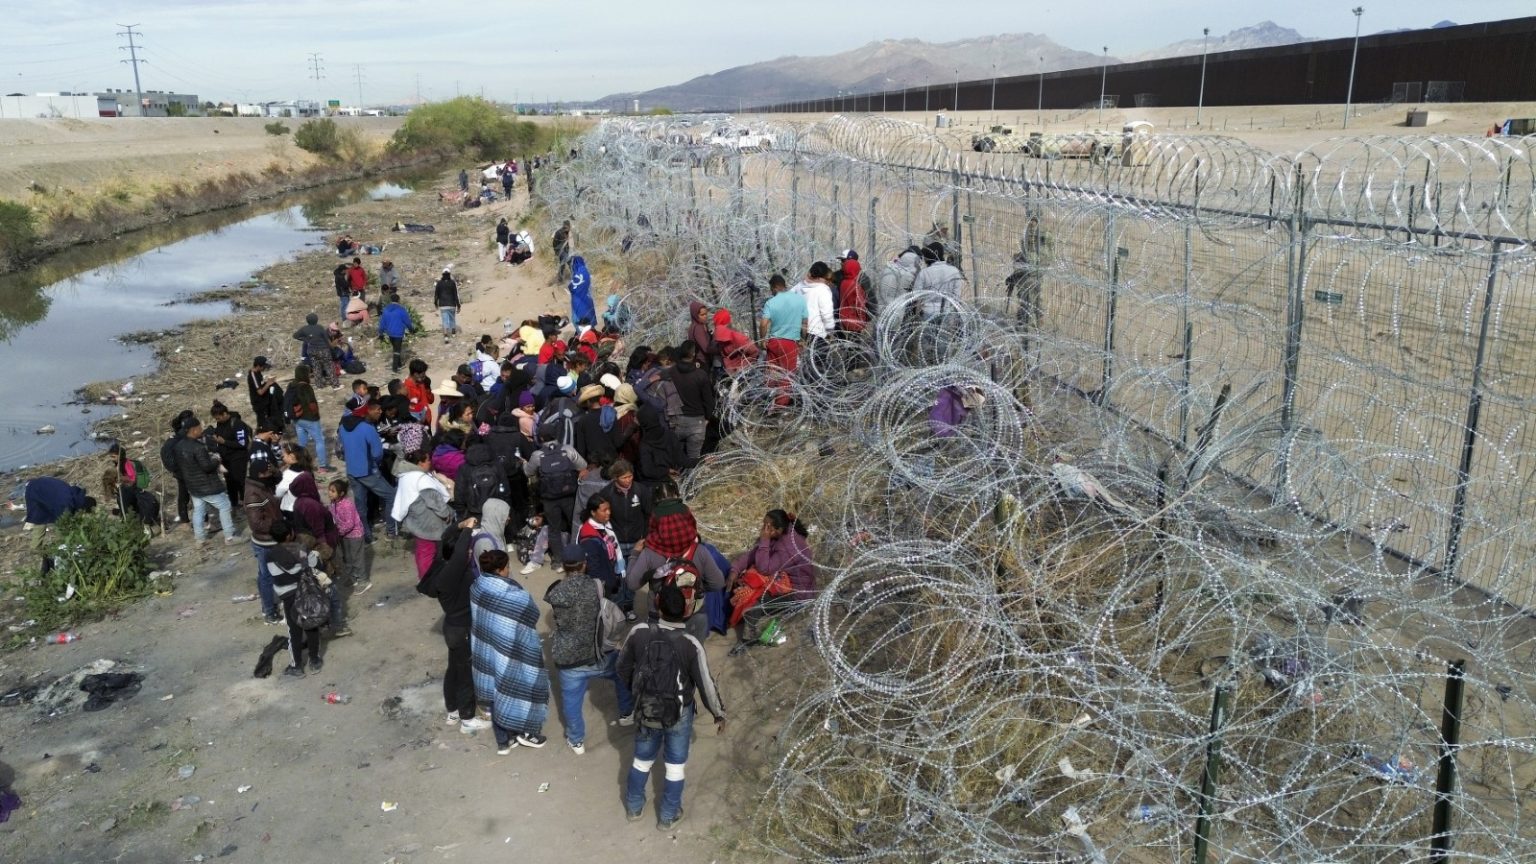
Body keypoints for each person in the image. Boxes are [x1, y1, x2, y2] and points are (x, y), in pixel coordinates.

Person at [617, 583, 727, 828]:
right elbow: (705, 683)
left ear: (658, 606)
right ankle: (668, 816)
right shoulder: (691, 644)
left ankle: (634, 807)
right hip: (680, 712)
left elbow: (622, 666)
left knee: (641, 760)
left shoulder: (639, 632)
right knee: (675, 766)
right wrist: (718, 713)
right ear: (687, 610)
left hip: (646, 707)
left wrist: (637, 691)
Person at [546, 543, 632, 755]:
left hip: (568, 659)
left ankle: (576, 740)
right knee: (622, 673)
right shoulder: (596, 585)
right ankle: (626, 713)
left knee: (571, 701)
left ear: (564, 566)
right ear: (584, 564)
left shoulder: (555, 591)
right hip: (599, 653)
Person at [470, 549, 550, 752]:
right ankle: (527, 733)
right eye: (507, 567)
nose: (509, 570)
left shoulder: (477, 586)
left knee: (496, 691)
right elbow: (532, 615)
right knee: (522, 687)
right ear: (499, 570)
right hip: (513, 649)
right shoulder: (514, 595)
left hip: (487, 648)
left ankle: (503, 742)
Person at [623, 485, 724, 639]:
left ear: (656, 525)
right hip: (694, 615)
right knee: (693, 650)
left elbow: (632, 584)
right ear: (687, 521)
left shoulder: (649, 553)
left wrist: (634, 554)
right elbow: (717, 583)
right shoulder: (699, 550)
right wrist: (694, 587)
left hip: (660, 615)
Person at [424, 513, 490, 732]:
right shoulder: (453, 572)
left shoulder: (441, 566)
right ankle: (467, 719)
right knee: (465, 675)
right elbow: (461, 552)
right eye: (468, 550)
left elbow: (446, 539)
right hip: (462, 630)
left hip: (452, 628)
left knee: (453, 669)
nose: (470, 552)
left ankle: (452, 711)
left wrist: (460, 525)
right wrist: (468, 530)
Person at [727, 509, 817, 644]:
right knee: (745, 583)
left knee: (752, 606)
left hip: (797, 594)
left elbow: (764, 569)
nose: (764, 528)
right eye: (764, 524)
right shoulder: (781, 535)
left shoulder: (787, 547)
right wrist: (735, 570)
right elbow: (754, 554)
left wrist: (764, 540)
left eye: (767, 526)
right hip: (783, 582)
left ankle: (749, 639)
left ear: (779, 529)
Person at [267, 521, 324, 677]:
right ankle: (315, 661)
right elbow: (315, 565)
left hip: (288, 597)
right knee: (311, 625)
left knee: (294, 631)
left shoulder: (270, 555)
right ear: (289, 535)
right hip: (305, 593)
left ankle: (297, 666)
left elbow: (276, 577)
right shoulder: (301, 549)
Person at [174, 416, 241, 545]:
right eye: (200, 428)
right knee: (225, 505)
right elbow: (207, 467)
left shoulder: (179, 446)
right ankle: (230, 536)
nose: (201, 430)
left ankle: (200, 539)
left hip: (193, 485)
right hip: (207, 485)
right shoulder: (198, 447)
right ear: (193, 430)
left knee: (199, 511)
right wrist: (216, 460)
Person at [338, 401, 396, 543]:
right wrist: (375, 464)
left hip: (351, 471)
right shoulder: (367, 428)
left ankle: (366, 536)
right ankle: (391, 531)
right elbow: (377, 453)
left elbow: (341, 449)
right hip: (368, 471)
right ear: (365, 411)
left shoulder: (342, 427)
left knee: (360, 505)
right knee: (391, 495)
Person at [393, 448, 451, 579]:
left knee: (422, 550)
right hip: (427, 521)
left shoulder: (406, 475)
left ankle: (425, 577)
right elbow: (434, 500)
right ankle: (427, 580)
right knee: (428, 551)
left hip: (415, 519)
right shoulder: (420, 478)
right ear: (420, 463)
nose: (430, 462)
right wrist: (445, 513)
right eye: (428, 460)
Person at [525, 437, 588, 550]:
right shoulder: (568, 449)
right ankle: (579, 551)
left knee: (554, 529)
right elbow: (583, 465)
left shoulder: (537, 455)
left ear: (541, 438)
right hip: (569, 495)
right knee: (575, 524)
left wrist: (524, 464)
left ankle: (558, 558)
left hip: (549, 499)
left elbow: (528, 472)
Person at [244, 458, 284, 624]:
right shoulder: (253, 494)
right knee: (266, 577)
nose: (270, 475)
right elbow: (257, 523)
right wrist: (278, 526)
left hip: (268, 540)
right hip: (265, 543)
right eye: (267, 472)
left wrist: (274, 470)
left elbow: (278, 478)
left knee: (265, 575)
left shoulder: (262, 485)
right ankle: (269, 611)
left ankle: (268, 606)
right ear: (260, 474)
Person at [760, 274, 808, 407]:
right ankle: (781, 405)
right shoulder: (799, 300)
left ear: (775, 287)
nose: (771, 292)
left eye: (771, 289)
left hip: (774, 342)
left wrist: (762, 339)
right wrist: (803, 339)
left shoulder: (771, 302)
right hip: (790, 343)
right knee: (787, 376)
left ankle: (770, 401)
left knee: (772, 373)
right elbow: (805, 323)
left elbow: (763, 324)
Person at [670, 342, 714, 464]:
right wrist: (707, 418)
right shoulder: (700, 375)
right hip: (696, 421)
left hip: (675, 420)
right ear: (693, 354)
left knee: (675, 458)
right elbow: (709, 400)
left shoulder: (671, 373)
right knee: (693, 460)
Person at [283, 365, 331, 473]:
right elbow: (311, 403)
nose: (309, 375)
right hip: (309, 419)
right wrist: (316, 415)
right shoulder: (306, 387)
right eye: (308, 373)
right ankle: (322, 466)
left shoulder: (291, 385)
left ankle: (301, 465)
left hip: (297, 419)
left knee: (302, 444)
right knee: (319, 440)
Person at [327, 477, 371, 596]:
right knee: (347, 557)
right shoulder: (333, 503)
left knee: (357, 558)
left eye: (333, 491)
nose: (329, 493)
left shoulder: (346, 504)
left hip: (355, 534)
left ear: (341, 493)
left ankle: (364, 581)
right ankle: (353, 577)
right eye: (329, 490)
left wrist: (338, 532)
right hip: (344, 535)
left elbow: (350, 524)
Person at [209, 400, 252, 506]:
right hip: (226, 458)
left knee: (239, 481)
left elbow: (242, 443)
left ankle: (245, 501)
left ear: (224, 414)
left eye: (218, 418)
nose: (217, 420)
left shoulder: (237, 424)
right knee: (229, 482)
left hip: (238, 458)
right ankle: (233, 503)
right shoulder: (220, 423)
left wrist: (224, 442)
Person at [20, 477, 94, 529]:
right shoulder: (66, 503)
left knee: (43, 516)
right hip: (35, 490)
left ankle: (36, 544)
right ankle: (36, 545)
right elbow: (62, 521)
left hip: (44, 487)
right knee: (39, 518)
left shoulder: (75, 495)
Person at [913, 246, 965, 320]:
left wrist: (917, 317)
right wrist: (954, 318)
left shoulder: (924, 272)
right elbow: (956, 297)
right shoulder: (954, 271)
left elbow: (917, 297)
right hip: (947, 312)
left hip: (928, 312)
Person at [294, 312, 338, 389]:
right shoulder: (320, 327)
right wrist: (332, 349)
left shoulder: (304, 328)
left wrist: (305, 339)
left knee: (316, 368)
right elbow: (326, 340)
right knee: (329, 367)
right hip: (323, 350)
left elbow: (295, 336)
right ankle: (335, 385)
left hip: (312, 351)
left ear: (307, 320)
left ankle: (319, 385)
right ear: (316, 320)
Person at [834, 249, 869, 335]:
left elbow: (870, 298)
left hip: (844, 318)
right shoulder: (837, 276)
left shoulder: (861, 279)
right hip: (851, 320)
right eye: (841, 261)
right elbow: (861, 304)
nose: (841, 263)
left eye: (843, 261)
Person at [712, 309, 758, 375]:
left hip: (742, 370)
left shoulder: (739, 338)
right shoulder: (718, 336)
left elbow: (755, 352)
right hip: (728, 369)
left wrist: (742, 366)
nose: (721, 343)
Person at [378, 292, 414, 373]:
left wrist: (380, 333)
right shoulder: (401, 309)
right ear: (398, 300)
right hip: (398, 332)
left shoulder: (386, 309)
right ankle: (395, 368)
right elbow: (407, 321)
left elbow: (382, 322)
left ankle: (399, 364)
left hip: (390, 332)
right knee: (397, 350)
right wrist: (411, 329)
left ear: (391, 300)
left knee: (395, 348)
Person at [246, 356, 283, 434]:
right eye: (263, 367)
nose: (264, 368)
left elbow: (260, 385)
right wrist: (268, 383)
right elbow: (260, 392)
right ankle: (259, 435)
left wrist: (268, 382)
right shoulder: (253, 375)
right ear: (258, 366)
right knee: (261, 422)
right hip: (258, 402)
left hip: (262, 400)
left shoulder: (258, 372)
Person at [685, 301, 718, 370]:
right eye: (702, 315)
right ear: (695, 315)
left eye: (706, 314)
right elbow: (706, 348)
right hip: (703, 363)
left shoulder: (699, 325)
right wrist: (722, 350)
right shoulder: (698, 328)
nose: (705, 316)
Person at [405, 359, 435, 427]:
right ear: (416, 374)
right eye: (423, 374)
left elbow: (431, 400)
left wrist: (428, 387)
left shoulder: (423, 383)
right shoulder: (406, 389)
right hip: (417, 424)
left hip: (427, 421)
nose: (424, 376)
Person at [434, 268, 461, 342]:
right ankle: (453, 333)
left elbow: (436, 295)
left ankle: (446, 336)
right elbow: (456, 295)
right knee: (452, 319)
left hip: (443, 305)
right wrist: (458, 305)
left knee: (445, 320)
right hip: (452, 304)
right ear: (449, 274)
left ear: (442, 275)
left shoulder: (439, 283)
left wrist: (435, 303)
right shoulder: (452, 283)